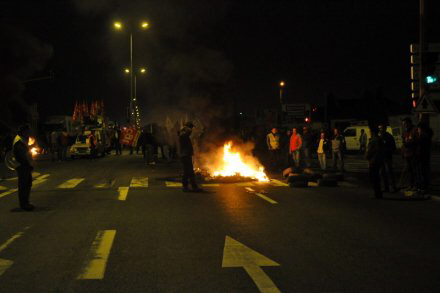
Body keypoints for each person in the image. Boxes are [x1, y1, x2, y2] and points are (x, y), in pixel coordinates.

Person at [13, 125, 34, 211]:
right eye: (27, 131)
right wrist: (29, 164)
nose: (28, 133)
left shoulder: (23, 139)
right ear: (23, 132)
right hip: (22, 165)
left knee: (27, 183)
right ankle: (24, 204)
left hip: (24, 165)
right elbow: (23, 155)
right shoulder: (19, 141)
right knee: (24, 185)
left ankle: (26, 202)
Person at [178, 122, 201, 192]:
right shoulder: (183, 135)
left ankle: (188, 187)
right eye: (190, 128)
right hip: (185, 155)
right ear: (187, 128)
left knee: (188, 172)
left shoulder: (183, 134)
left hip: (185, 155)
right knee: (189, 172)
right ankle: (192, 187)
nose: (191, 130)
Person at [399, 117, 418, 190]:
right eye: (404, 124)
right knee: (409, 171)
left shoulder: (414, 130)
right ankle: (411, 185)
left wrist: (409, 144)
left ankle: (415, 185)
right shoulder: (405, 132)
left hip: (413, 153)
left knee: (414, 170)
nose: (405, 126)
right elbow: (404, 143)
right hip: (407, 154)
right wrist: (402, 152)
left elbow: (416, 141)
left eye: (406, 124)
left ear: (409, 123)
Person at [366, 126, 384, 199]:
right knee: (375, 177)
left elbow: (372, 150)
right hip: (377, 160)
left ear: (372, 132)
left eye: (369, 132)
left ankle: (377, 193)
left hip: (374, 160)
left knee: (374, 177)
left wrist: (368, 156)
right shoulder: (379, 139)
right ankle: (377, 193)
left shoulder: (374, 140)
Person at [415, 122, 433, 193]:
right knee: (422, 172)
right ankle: (423, 187)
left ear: (421, 129)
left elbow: (419, 145)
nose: (417, 130)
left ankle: (424, 187)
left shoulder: (423, 136)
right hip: (423, 156)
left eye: (418, 129)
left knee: (422, 172)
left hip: (422, 156)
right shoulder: (425, 136)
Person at [378, 124, 397, 193]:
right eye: (379, 128)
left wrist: (388, 152)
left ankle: (392, 187)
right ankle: (386, 187)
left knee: (389, 171)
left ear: (385, 129)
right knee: (382, 172)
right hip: (381, 157)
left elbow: (393, 147)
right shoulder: (379, 137)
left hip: (387, 157)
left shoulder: (389, 137)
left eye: (381, 128)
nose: (380, 129)